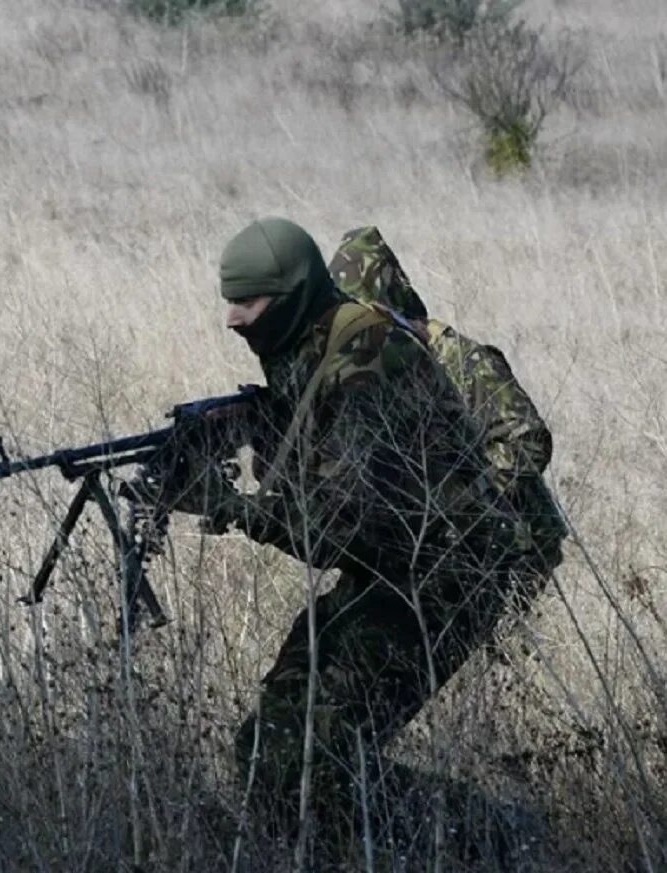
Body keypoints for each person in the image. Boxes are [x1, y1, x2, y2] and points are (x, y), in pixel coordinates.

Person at [167, 217, 525, 861]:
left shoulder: (365, 357)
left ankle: (495, 840)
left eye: (247, 303)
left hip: (443, 582)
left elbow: (339, 526)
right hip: (390, 573)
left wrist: (231, 506)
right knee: (265, 749)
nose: (232, 319)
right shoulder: (310, 349)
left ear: (293, 294)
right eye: (229, 301)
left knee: (310, 763)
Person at [327, 225, 566, 589]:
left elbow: (528, 440)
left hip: (511, 544)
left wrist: (464, 508)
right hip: (437, 545)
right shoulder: (379, 368)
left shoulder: (457, 358)